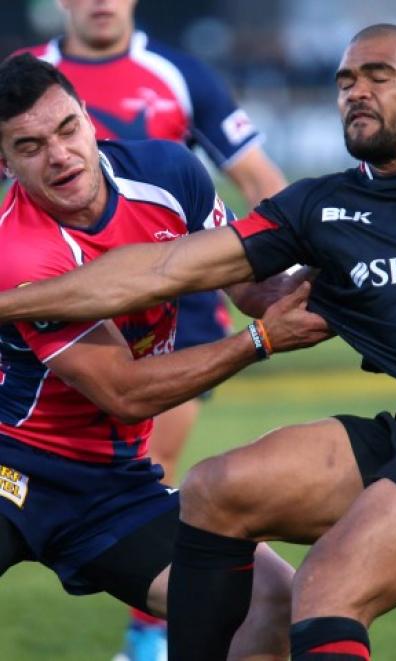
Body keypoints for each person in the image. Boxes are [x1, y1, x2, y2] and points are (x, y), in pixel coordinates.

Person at [4, 23, 396, 660]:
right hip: (17, 465)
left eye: (380, 76)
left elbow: (231, 286)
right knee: (218, 487)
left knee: (325, 589)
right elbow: (163, 280)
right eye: (346, 80)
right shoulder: (319, 210)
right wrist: (263, 337)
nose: (358, 92)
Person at [0, 53, 330, 661]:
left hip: (112, 487)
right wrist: (260, 342)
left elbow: (248, 286)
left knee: (275, 600)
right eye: (30, 145)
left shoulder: (169, 172)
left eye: (68, 129)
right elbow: (123, 391)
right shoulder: (18, 254)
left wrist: (327, 280)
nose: (60, 155)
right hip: (13, 467)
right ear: (5, 162)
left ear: (89, 120)